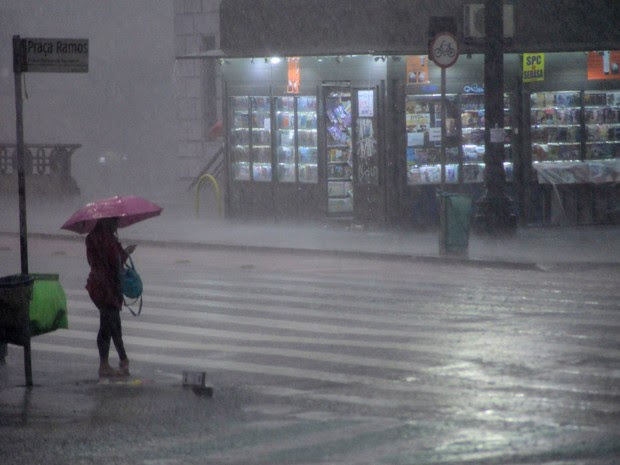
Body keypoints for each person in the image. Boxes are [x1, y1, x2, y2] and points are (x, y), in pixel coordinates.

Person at [85, 217, 136, 378]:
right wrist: (126, 252)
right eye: (114, 222)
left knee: (112, 323)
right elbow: (115, 262)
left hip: (97, 285)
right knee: (109, 325)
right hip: (107, 288)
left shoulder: (92, 237)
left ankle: (123, 359)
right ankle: (105, 365)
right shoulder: (107, 239)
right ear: (106, 222)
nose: (117, 225)